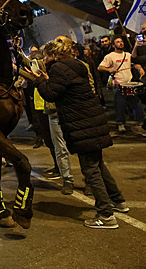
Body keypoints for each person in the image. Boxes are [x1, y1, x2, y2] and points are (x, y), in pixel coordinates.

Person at [33, 40, 129, 229]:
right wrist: (47, 79)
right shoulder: (77, 65)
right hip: (92, 120)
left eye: (45, 55)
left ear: (53, 55)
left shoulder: (58, 68)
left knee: (91, 170)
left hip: (81, 124)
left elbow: (51, 94)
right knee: (98, 164)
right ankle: (118, 201)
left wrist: (39, 80)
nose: (44, 59)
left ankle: (106, 214)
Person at [98, 35, 146, 134]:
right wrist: (109, 69)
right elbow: (100, 67)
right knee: (120, 105)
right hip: (118, 84)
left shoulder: (128, 54)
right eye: (118, 42)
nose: (121, 43)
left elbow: (133, 63)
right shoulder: (110, 56)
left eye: (121, 41)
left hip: (130, 83)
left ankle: (140, 123)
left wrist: (139, 67)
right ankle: (120, 123)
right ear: (113, 45)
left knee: (136, 104)